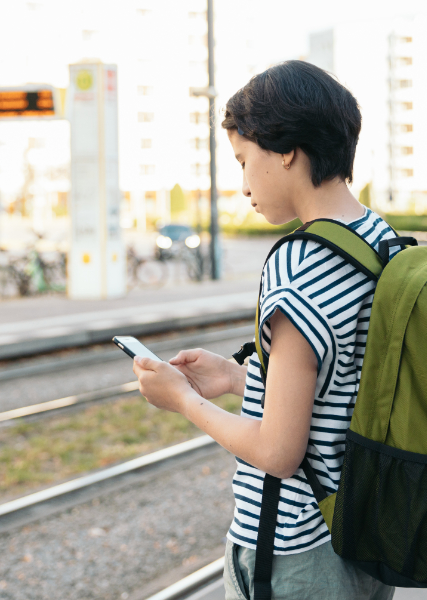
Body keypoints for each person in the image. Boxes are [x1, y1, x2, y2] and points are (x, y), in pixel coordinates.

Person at [133, 60, 399, 599]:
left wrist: (182, 401)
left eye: (243, 159)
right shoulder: (378, 238)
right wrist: (238, 379)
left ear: (284, 150)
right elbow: (342, 382)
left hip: (294, 550)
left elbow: (279, 452)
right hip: (362, 533)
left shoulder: (300, 264)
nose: (243, 182)